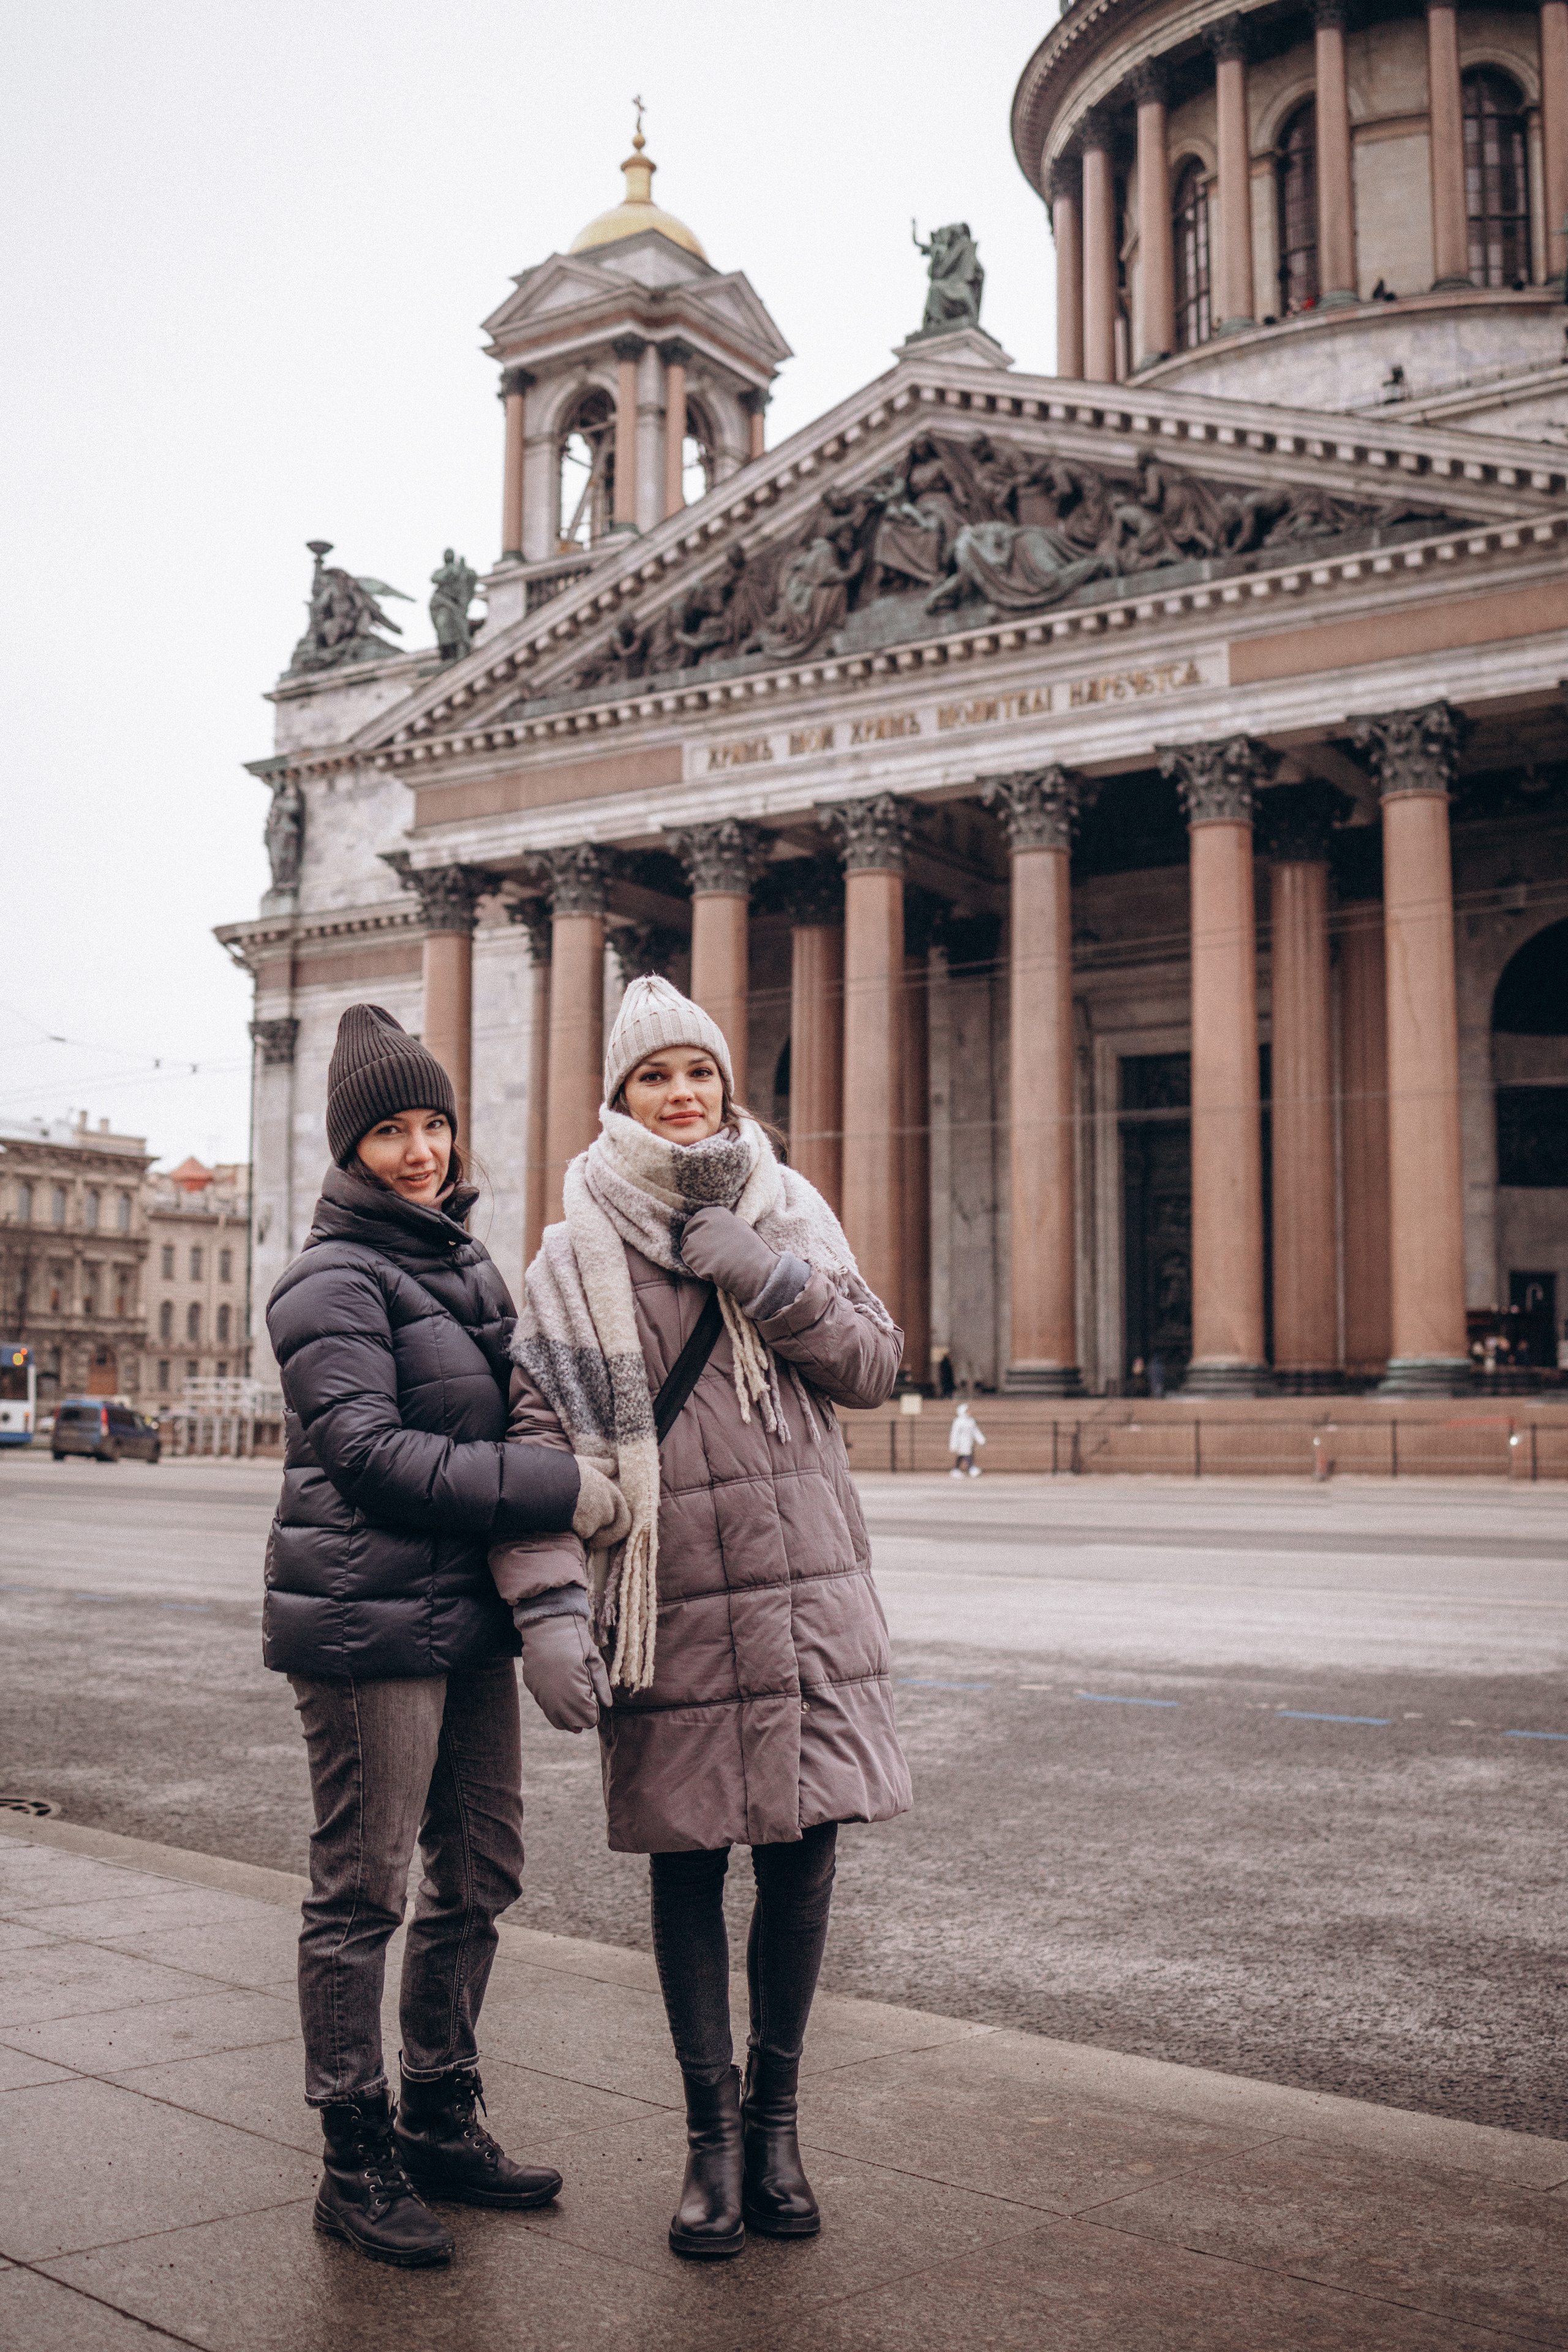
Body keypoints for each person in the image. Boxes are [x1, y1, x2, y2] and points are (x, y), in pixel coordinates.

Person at [494, 975, 911, 2261]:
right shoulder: (570, 1255)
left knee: (803, 1860)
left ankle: (777, 2127)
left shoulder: (790, 1213)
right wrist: (547, 1610)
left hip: (804, 1593)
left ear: (726, 1086)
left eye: (699, 1072)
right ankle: (710, 2143)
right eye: (653, 1077)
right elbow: (536, 1440)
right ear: (618, 1098)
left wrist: (770, 1277)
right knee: (687, 1865)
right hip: (664, 1604)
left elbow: (874, 1368)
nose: (681, 1095)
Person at [263, 1003, 629, 2269]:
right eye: (390, 1132)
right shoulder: (327, 1280)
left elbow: (521, 1410)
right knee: (361, 1887)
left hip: (463, 1609)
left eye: (434, 1125)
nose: (420, 1151)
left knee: (480, 1869)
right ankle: (352, 2152)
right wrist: (559, 1489)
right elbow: (371, 1457)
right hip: (362, 1616)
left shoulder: (463, 1264)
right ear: (350, 1149)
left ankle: (437, 2110)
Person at [948, 1400, 984, 1477]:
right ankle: (971, 1468)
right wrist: (954, 1444)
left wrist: (981, 1439)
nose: (969, 1412)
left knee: (963, 1455)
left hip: (969, 1441)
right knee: (966, 1455)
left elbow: (975, 1431)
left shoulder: (971, 1421)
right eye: (967, 1411)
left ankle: (957, 1469)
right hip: (961, 1442)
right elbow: (954, 1434)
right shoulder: (958, 1422)